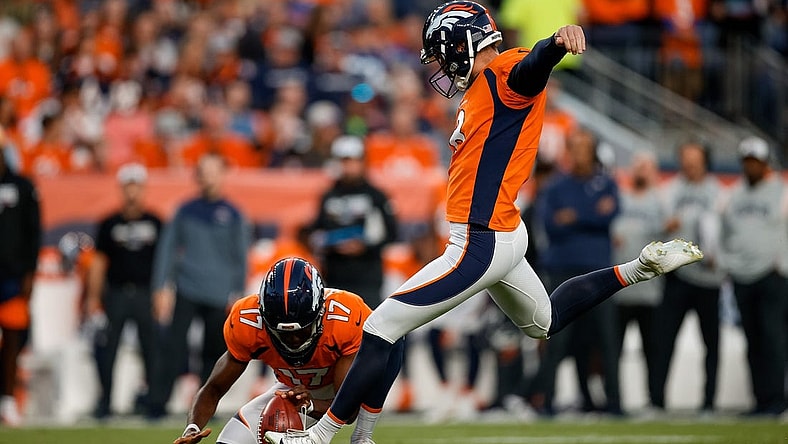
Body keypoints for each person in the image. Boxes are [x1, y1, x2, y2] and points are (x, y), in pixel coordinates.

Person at [264, 2, 702, 443]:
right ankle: (638, 268)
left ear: (463, 43)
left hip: (480, 240)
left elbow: (529, 69)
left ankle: (324, 435)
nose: (441, 65)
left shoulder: (506, 72)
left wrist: (553, 45)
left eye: (442, 53)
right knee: (543, 321)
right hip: (504, 233)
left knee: (379, 327)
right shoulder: (478, 89)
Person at [173, 257, 401, 444]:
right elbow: (213, 388)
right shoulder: (248, 322)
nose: (292, 339)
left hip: (335, 394)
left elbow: (348, 412)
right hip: (290, 391)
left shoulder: (344, 317)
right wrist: (192, 428)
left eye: (301, 331)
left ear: (320, 314)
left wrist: (309, 404)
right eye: (282, 333)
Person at [147, 152, 251, 419]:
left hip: (219, 293)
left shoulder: (234, 214)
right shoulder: (185, 211)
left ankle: (206, 406)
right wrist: (161, 286)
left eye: (213, 170)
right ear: (197, 176)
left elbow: (241, 257)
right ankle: (157, 403)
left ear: (222, 174)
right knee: (173, 347)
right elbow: (167, 250)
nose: (208, 176)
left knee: (213, 354)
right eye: (203, 171)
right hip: (187, 288)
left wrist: (238, 293)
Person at [528, 127, 622, 416]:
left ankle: (615, 404)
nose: (580, 153)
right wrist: (591, 214)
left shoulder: (607, 183)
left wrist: (574, 216)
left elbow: (610, 214)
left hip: (599, 271)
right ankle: (546, 402)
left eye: (585, 147)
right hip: (563, 270)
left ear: (593, 151)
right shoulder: (555, 186)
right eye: (575, 147)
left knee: (607, 340)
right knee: (556, 339)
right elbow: (552, 225)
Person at [651, 140, 724, 413]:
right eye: (686, 158)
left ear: (705, 161)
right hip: (676, 275)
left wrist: (721, 258)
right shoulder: (669, 191)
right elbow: (654, 230)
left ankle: (709, 402)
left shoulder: (718, 191)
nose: (690, 164)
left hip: (709, 277)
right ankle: (657, 400)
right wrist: (664, 226)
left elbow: (724, 231)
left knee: (711, 344)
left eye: (695, 159)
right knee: (664, 340)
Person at [84, 163, 162, 419]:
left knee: (150, 349)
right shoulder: (109, 223)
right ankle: (105, 400)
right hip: (116, 293)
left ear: (143, 189)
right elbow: (98, 263)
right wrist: (94, 297)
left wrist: (162, 293)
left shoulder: (156, 222)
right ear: (121, 189)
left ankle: (153, 401)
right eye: (128, 186)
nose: (132, 192)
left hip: (144, 293)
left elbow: (165, 261)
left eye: (136, 186)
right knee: (109, 349)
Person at [719, 136, 787, 417]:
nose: (750, 167)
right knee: (753, 340)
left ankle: (776, 400)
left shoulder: (781, 191)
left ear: (765, 163)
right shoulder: (733, 194)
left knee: (774, 339)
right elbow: (721, 232)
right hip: (741, 275)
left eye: (755, 162)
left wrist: (781, 263)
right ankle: (760, 401)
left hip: (771, 275)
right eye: (746, 162)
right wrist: (727, 263)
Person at [304, 135, 398, 310]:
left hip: (367, 277)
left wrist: (364, 246)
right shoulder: (328, 196)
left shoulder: (376, 196)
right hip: (335, 276)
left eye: (353, 161)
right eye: (344, 161)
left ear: (362, 162)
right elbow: (316, 232)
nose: (348, 166)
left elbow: (391, 234)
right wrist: (326, 243)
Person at [610, 151, 667, 413]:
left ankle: (655, 400)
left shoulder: (661, 201)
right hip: (619, 287)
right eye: (637, 166)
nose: (640, 171)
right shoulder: (619, 197)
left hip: (650, 288)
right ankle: (614, 402)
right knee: (613, 350)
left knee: (654, 350)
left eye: (645, 166)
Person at [0, 145, 41, 426]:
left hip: (12, 274)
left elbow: (33, 231)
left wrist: (29, 273)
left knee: (13, 339)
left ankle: (8, 399)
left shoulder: (22, 186)